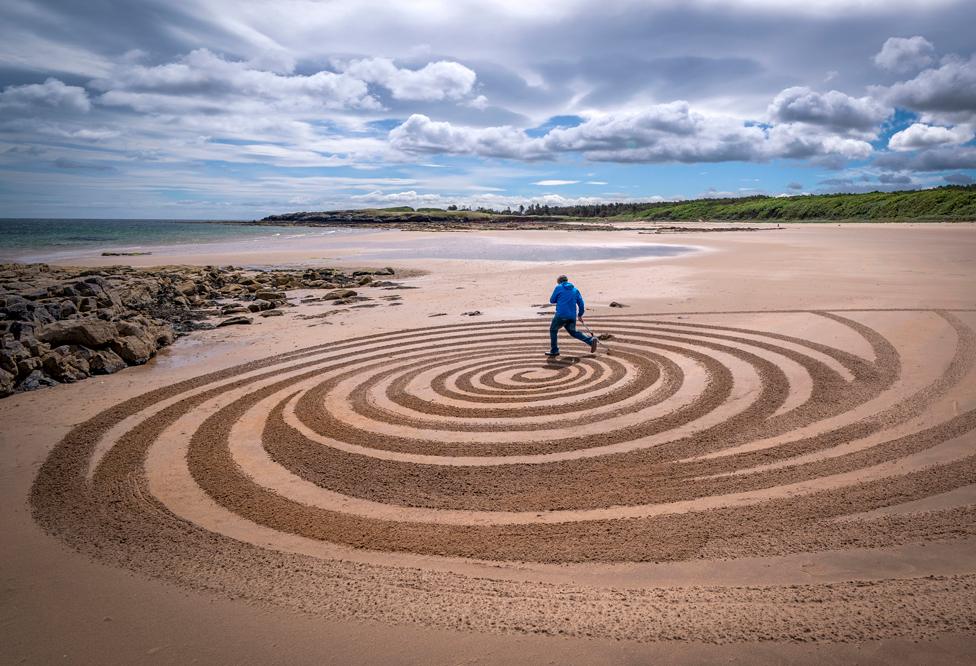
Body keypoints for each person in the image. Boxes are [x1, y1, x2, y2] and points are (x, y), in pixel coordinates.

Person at [546, 275, 597, 357]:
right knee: (573, 332)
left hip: (561, 315)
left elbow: (552, 300)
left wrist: (559, 299)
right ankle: (591, 341)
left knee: (553, 330)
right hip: (572, 316)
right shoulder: (575, 290)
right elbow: (581, 303)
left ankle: (554, 350)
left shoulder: (558, 287)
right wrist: (580, 315)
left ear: (559, 282)